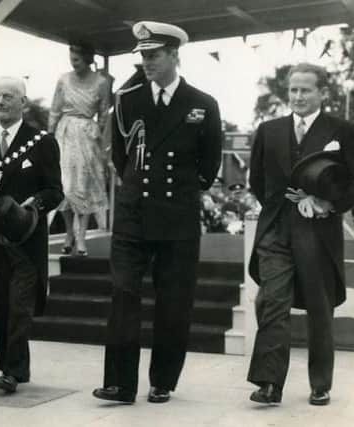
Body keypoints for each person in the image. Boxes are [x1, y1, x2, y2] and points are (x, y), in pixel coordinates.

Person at [93, 21, 222, 404]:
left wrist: (180, 192)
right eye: (143, 56)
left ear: (174, 56)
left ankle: (163, 379)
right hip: (134, 215)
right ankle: (119, 383)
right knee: (123, 294)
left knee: (174, 301)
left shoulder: (202, 103)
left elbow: (209, 165)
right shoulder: (127, 100)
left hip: (177, 216)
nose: (147, 62)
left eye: (154, 55)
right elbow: (121, 156)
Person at [247, 63, 354, 406]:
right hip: (276, 231)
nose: (298, 96)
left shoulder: (341, 131)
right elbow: (257, 181)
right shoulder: (268, 129)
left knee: (320, 308)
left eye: (305, 90)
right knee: (273, 302)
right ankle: (269, 383)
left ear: (321, 93)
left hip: (318, 233)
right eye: (293, 90)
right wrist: (281, 208)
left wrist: (325, 202)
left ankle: (320, 383)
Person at [0, 76, 63, 393]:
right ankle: (10, 369)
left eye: (8, 96)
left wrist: (33, 205)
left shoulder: (42, 142)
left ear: (22, 102)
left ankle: (12, 371)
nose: (0, 102)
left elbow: (55, 192)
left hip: (26, 241)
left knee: (19, 305)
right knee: (0, 304)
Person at [48, 42, 110, 256]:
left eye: (77, 59)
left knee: (82, 186)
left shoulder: (101, 82)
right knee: (65, 186)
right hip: (64, 134)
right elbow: (54, 110)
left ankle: (81, 236)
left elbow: (103, 113)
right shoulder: (63, 80)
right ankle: (68, 233)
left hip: (87, 135)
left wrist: (96, 134)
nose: (73, 63)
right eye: (71, 59)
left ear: (88, 59)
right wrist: (49, 137)